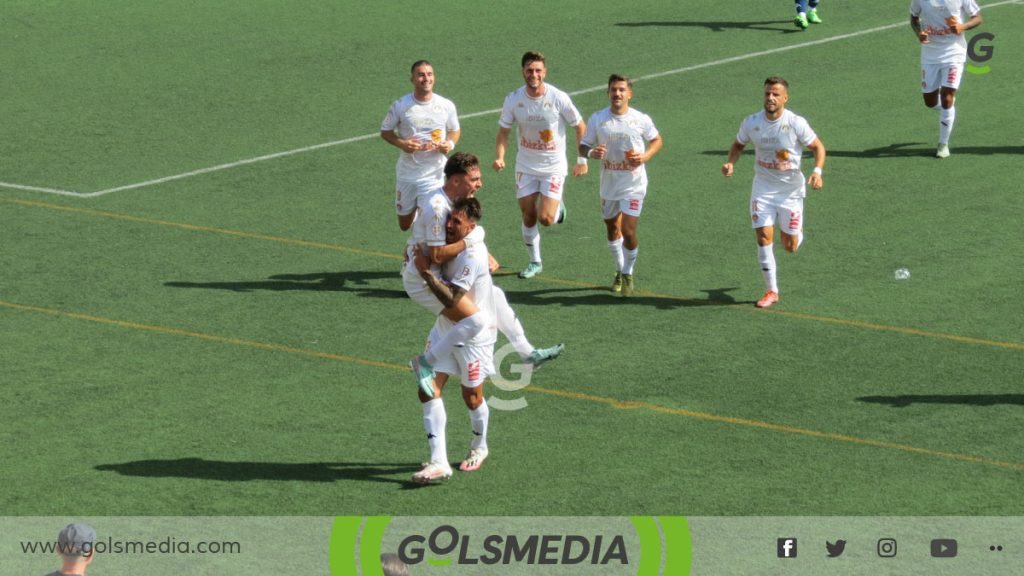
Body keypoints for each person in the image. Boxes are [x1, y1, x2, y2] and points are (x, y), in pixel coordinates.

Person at [406, 155, 563, 396]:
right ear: (457, 181)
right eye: (474, 179)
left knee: (495, 293)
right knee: (475, 320)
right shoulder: (438, 207)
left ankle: (527, 353)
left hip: (438, 272)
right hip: (423, 278)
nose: (479, 184)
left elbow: (453, 239)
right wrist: (474, 239)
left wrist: (481, 248)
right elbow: (437, 255)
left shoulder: (452, 201)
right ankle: (425, 362)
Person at [411, 197, 496, 483]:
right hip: (446, 327)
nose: (448, 225)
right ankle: (438, 462)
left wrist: (424, 273)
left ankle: (479, 446)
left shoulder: (473, 254)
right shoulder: (452, 245)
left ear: (470, 226)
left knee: (471, 398)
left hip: (473, 337)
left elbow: (453, 298)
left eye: (456, 222)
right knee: (427, 389)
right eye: (449, 219)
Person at [722, 77, 826, 309]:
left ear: (785, 98)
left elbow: (818, 147)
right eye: (767, 93)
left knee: (790, 246)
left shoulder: (795, 123)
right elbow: (739, 144)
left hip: (790, 191)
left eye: (776, 94)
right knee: (763, 237)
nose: (770, 98)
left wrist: (817, 172)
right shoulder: (752, 122)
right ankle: (772, 291)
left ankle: (796, 233)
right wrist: (731, 163)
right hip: (763, 189)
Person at [493, 51, 587, 279]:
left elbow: (580, 126)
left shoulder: (558, 98)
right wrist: (500, 156)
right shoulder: (514, 99)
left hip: (553, 167)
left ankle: (557, 208)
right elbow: (503, 133)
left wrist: (582, 160)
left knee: (546, 219)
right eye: (529, 70)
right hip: (525, 166)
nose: (533, 74)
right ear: (523, 72)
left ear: (544, 72)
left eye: (537, 70)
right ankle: (535, 262)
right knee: (527, 215)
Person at [579, 74, 663, 297]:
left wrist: (644, 157)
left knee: (628, 229)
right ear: (608, 93)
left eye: (621, 90)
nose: (617, 93)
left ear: (629, 94)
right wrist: (591, 153)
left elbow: (657, 140)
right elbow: (583, 146)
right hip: (609, 184)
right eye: (614, 90)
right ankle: (618, 269)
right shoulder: (598, 119)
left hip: (634, 183)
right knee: (611, 228)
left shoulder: (640, 119)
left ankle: (628, 272)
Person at [381, 60, 461, 231]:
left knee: (435, 220)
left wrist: (450, 143)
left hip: (434, 173)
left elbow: (455, 130)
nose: (426, 78)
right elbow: (385, 131)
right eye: (421, 75)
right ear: (412, 79)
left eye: (429, 74)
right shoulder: (401, 105)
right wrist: (401, 143)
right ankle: (417, 211)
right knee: (404, 225)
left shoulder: (445, 105)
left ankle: (425, 250)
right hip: (407, 174)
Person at [910, 0, 982, 158]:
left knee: (947, 98)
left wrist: (962, 27)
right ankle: (948, 110)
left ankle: (943, 144)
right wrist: (919, 34)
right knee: (929, 101)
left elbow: (977, 18)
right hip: (930, 55)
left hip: (954, 52)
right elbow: (914, 18)